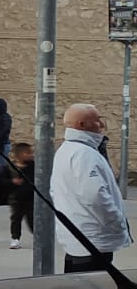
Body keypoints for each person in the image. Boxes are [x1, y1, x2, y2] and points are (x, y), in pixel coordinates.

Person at [51, 102, 133, 273]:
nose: (102, 124)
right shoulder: (84, 154)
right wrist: (116, 222)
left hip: (79, 237)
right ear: (81, 124)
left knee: (79, 284)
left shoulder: (67, 149)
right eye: (97, 120)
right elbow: (95, 196)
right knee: (93, 286)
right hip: (93, 239)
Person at [8, 142, 35, 249]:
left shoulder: (32, 166)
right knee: (16, 219)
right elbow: (4, 180)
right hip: (16, 199)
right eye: (28, 153)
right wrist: (12, 182)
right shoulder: (11, 167)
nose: (31, 155)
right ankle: (15, 238)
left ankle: (38, 237)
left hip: (30, 198)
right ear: (20, 155)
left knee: (32, 219)